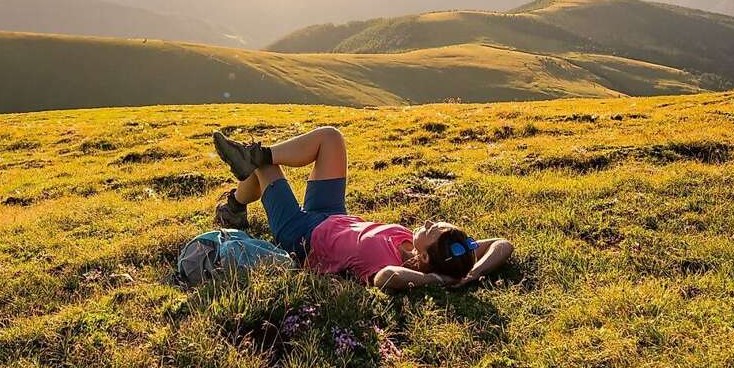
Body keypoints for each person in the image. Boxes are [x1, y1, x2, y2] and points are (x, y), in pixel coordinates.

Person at [210, 126, 512, 292]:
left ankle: (236, 204)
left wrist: (439, 280)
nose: (431, 221)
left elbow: (387, 279)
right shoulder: (424, 246)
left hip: (301, 235)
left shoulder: (388, 264)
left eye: (433, 230)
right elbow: (503, 244)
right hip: (333, 214)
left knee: (266, 168)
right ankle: (254, 155)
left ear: (424, 257)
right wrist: (470, 273)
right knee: (331, 138)